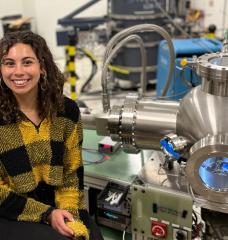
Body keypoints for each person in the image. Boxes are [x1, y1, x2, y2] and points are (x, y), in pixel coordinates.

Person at [0, 30, 104, 240]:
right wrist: (48, 215)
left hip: (57, 201)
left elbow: (71, 175)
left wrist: (69, 216)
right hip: (9, 208)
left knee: (90, 237)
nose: (18, 72)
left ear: (42, 66)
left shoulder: (66, 111)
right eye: (9, 63)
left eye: (27, 62)